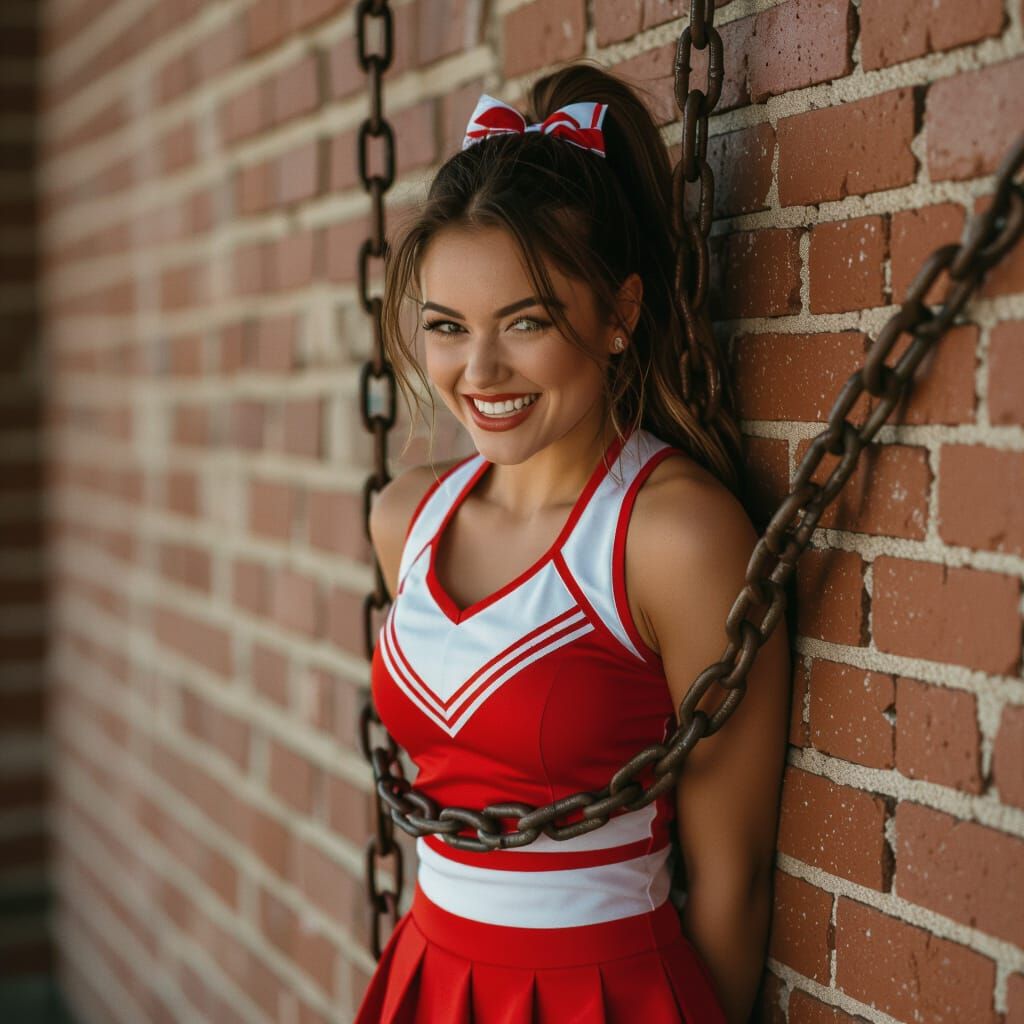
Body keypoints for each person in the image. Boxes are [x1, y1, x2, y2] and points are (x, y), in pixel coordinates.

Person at [356, 59, 791, 1024]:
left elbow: (734, 879)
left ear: (618, 315)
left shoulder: (672, 535)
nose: (480, 371)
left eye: (527, 320)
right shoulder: (406, 519)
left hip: (602, 993)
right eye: (446, 327)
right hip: (430, 975)